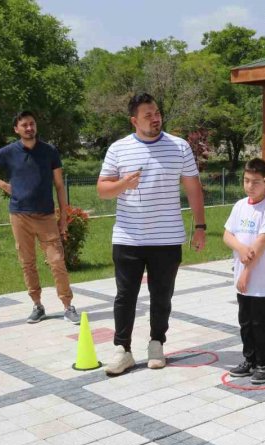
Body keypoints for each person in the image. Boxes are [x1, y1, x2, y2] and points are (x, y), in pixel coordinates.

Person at [97, 93, 206, 376]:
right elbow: (102, 190)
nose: (155, 118)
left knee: (161, 295)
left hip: (167, 238)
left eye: (157, 112)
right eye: (148, 115)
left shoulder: (179, 147)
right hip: (128, 238)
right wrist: (123, 183)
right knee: (125, 295)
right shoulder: (118, 149)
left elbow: (193, 187)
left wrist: (201, 226)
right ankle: (123, 350)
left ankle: (157, 343)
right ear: (134, 120)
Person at [0, 111, 77, 324]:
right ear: (17, 129)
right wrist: (3, 185)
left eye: (32, 124)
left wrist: (63, 216)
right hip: (19, 216)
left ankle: (68, 306)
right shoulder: (9, 152)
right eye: (24, 125)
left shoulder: (49, 151)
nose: (29, 128)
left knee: (57, 261)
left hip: (46, 216)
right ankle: (37, 306)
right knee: (27, 262)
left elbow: (59, 185)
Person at [223, 158, 265, 385]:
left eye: (256, 182)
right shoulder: (239, 206)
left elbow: (262, 242)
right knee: (245, 322)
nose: (250, 186)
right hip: (242, 278)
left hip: (263, 280)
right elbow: (227, 235)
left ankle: (263, 364)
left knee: (262, 324)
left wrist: (246, 271)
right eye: (247, 181)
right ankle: (249, 360)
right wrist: (239, 247)